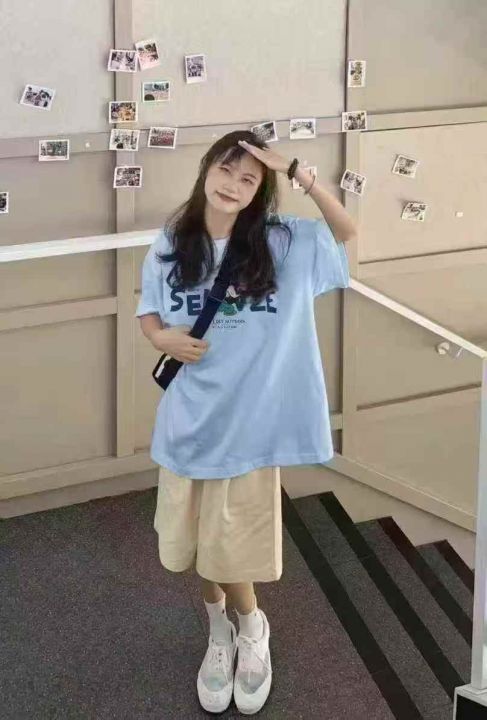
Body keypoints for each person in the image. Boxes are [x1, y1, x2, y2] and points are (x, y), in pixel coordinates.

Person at [135, 129, 357, 714]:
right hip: (190, 422)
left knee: (227, 547)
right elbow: (149, 311)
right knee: (191, 544)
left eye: (249, 178)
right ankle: (220, 630)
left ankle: (253, 628)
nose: (233, 185)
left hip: (251, 429)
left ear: (261, 189)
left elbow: (346, 231)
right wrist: (160, 338)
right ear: (206, 169)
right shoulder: (171, 241)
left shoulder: (283, 242)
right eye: (226, 170)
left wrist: (299, 171)